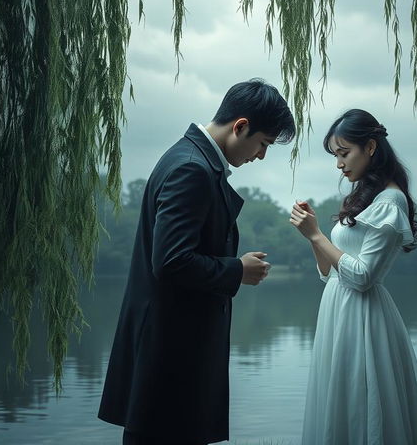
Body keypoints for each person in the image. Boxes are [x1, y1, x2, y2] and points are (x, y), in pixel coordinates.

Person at [98, 78, 295, 445]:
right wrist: (237, 270)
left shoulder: (191, 159)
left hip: (172, 351)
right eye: (264, 144)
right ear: (240, 127)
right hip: (170, 357)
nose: (261, 156)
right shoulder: (192, 168)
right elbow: (172, 261)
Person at [289, 108, 417, 445]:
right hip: (337, 308)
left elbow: (363, 277)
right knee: (338, 397)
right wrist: (312, 236)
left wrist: (316, 236)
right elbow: (328, 273)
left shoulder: (390, 201)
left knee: (362, 400)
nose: (339, 164)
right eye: (335, 156)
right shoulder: (362, 198)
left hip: (363, 315)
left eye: (344, 153)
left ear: (370, 147)